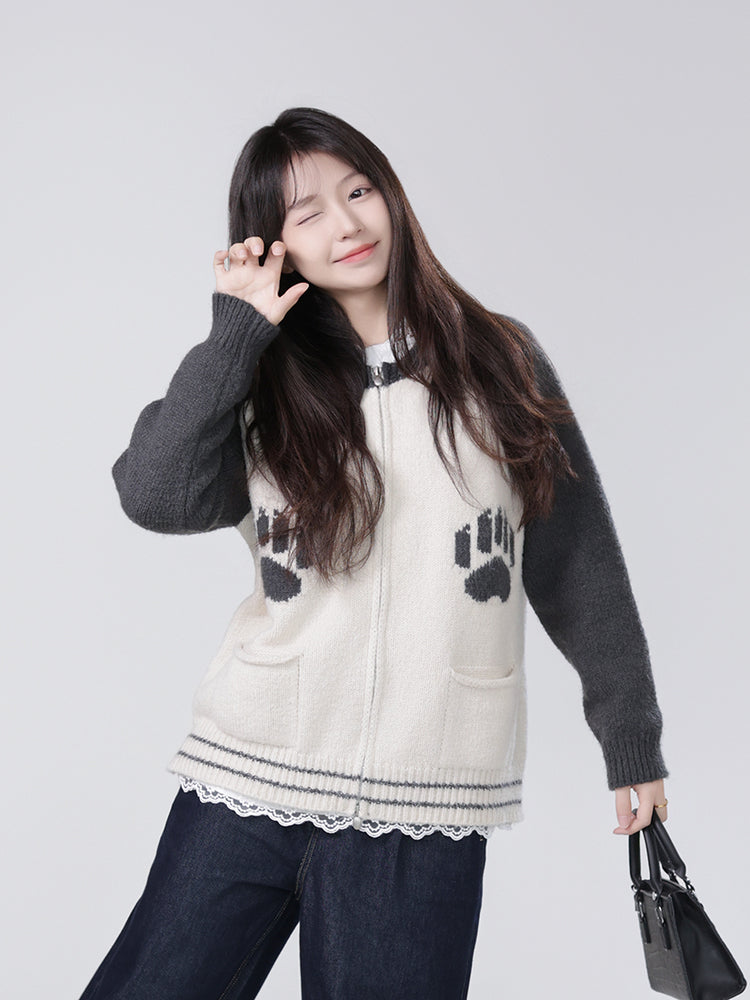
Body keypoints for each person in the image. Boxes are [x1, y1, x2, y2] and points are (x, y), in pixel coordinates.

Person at [79, 106, 670, 1000]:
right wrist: (233, 335)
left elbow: (578, 560)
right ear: (271, 243)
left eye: (358, 192)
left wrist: (632, 739)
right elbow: (153, 495)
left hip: (423, 799)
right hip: (250, 775)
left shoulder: (501, 362)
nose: (346, 224)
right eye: (307, 212)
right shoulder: (259, 380)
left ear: (390, 194)